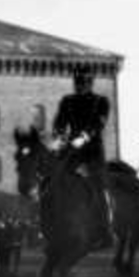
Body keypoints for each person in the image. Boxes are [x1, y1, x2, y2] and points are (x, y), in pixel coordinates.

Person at [53, 65, 112, 246]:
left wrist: (84, 137)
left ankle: (105, 230)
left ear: (90, 82)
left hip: (93, 150)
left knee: (99, 187)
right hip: (72, 149)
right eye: (77, 82)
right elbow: (60, 122)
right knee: (54, 179)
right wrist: (59, 137)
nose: (80, 85)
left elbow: (98, 124)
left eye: (84, 82)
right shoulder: (67, 101)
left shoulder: (101, 101)